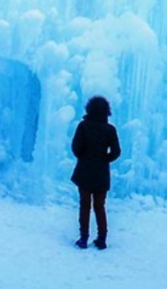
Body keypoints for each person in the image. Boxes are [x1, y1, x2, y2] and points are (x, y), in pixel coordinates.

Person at [70, 96, 121, 250]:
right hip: (101, 173)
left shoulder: (83, 126)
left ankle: (83, 238)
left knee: (85, 205)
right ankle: (102, 239)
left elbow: (76, 147)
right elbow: (116, 152)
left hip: (84, 171)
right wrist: (104, 159)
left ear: (89, 109)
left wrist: (84, 157)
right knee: (100, 206)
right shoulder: (110, 129)